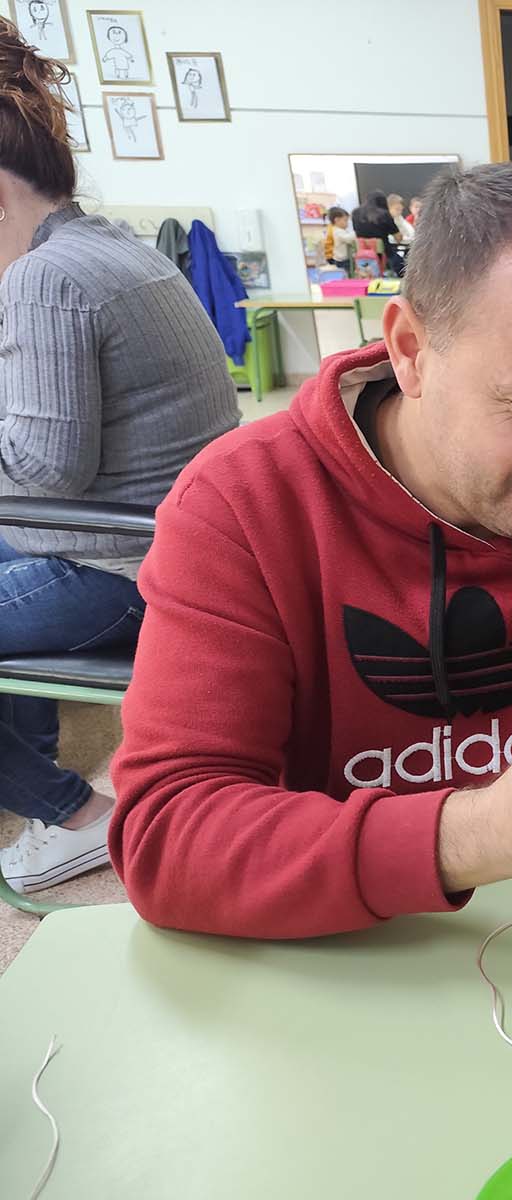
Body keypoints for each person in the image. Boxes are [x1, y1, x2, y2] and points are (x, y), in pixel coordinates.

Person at [110, 161, 512, 939]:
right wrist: (472, 835)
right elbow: (166, 838)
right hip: (349, 962)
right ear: (411, 351)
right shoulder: (242, 508)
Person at [0, 24, 239, 893]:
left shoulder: (43, 277)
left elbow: (43, 474)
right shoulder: (114, 246)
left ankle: (72, 814)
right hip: (164, 544)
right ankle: (47, 806)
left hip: (123, 562)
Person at [322, 205, 356, 274]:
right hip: (342, 260)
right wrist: (357, 232)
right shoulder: (337, 231)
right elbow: (348, 238)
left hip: (342, 258)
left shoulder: (339, 230)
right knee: (349, 273)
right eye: (345, 220)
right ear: (337, 220)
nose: (347, 224)